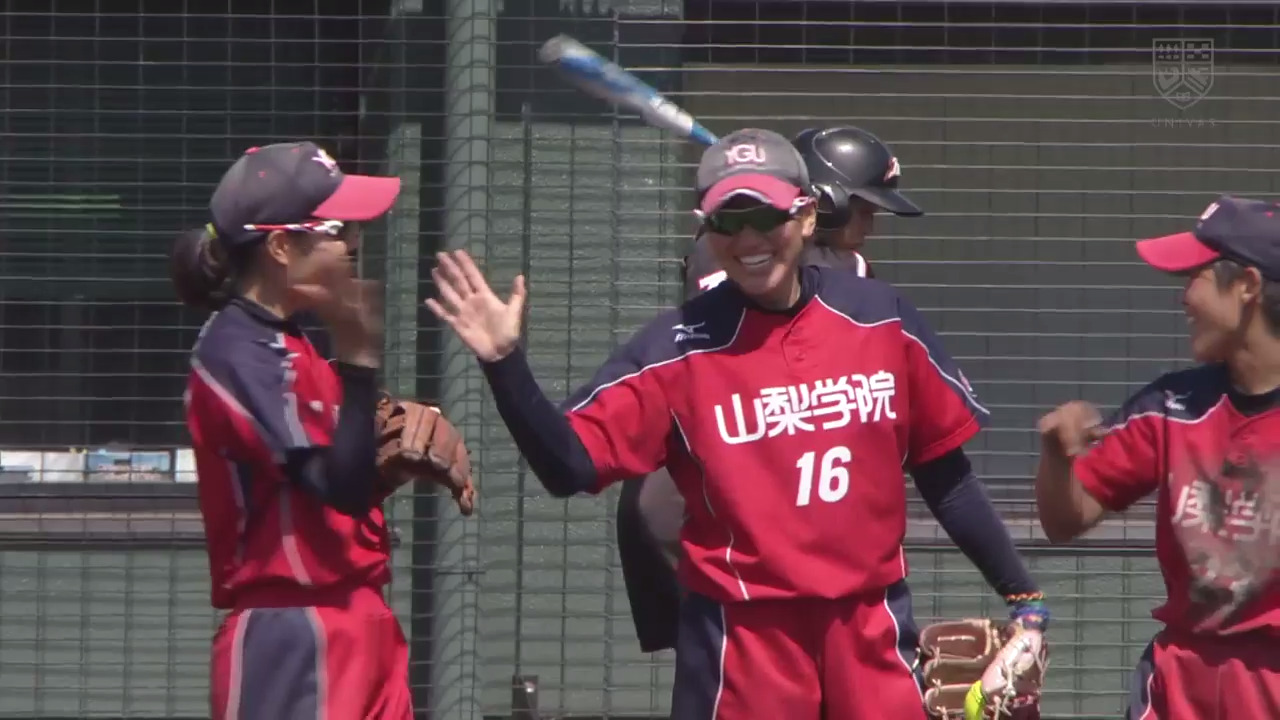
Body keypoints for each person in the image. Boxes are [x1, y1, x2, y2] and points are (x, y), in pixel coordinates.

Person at [427, 128, 1045, 719]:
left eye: (766, 217)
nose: (749, 237)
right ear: (707, 230)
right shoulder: (675, 349)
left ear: (806, 216)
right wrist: (504, 364)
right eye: (728, 220)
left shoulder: (882, 320)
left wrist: (1024, 597)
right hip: (742, 640)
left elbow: (946, 474)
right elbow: (569, 467)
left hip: (870, 625)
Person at [619, 125, 930, 653]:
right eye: (864, 210)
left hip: (701, 499)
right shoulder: (830, 272)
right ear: (824, 206)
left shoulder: (727, 252)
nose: (871, 226)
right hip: (704, 507)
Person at [174, 141, 412, 720]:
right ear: (281, 245)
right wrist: (357, 359)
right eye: (337, 229)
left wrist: (386, 466)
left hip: (358, 620)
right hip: (296, 634)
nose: (353, 243)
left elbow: (343, 488)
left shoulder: (293, 343)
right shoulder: (238, 352)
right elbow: (338, 486)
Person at [1034, 195, 1280, 719]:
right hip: (1178, 684)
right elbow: (1065, 519)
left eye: (1195, 276)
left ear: (1248, 286)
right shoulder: (1170, 407)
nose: (1183, 298)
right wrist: (1057, 457)